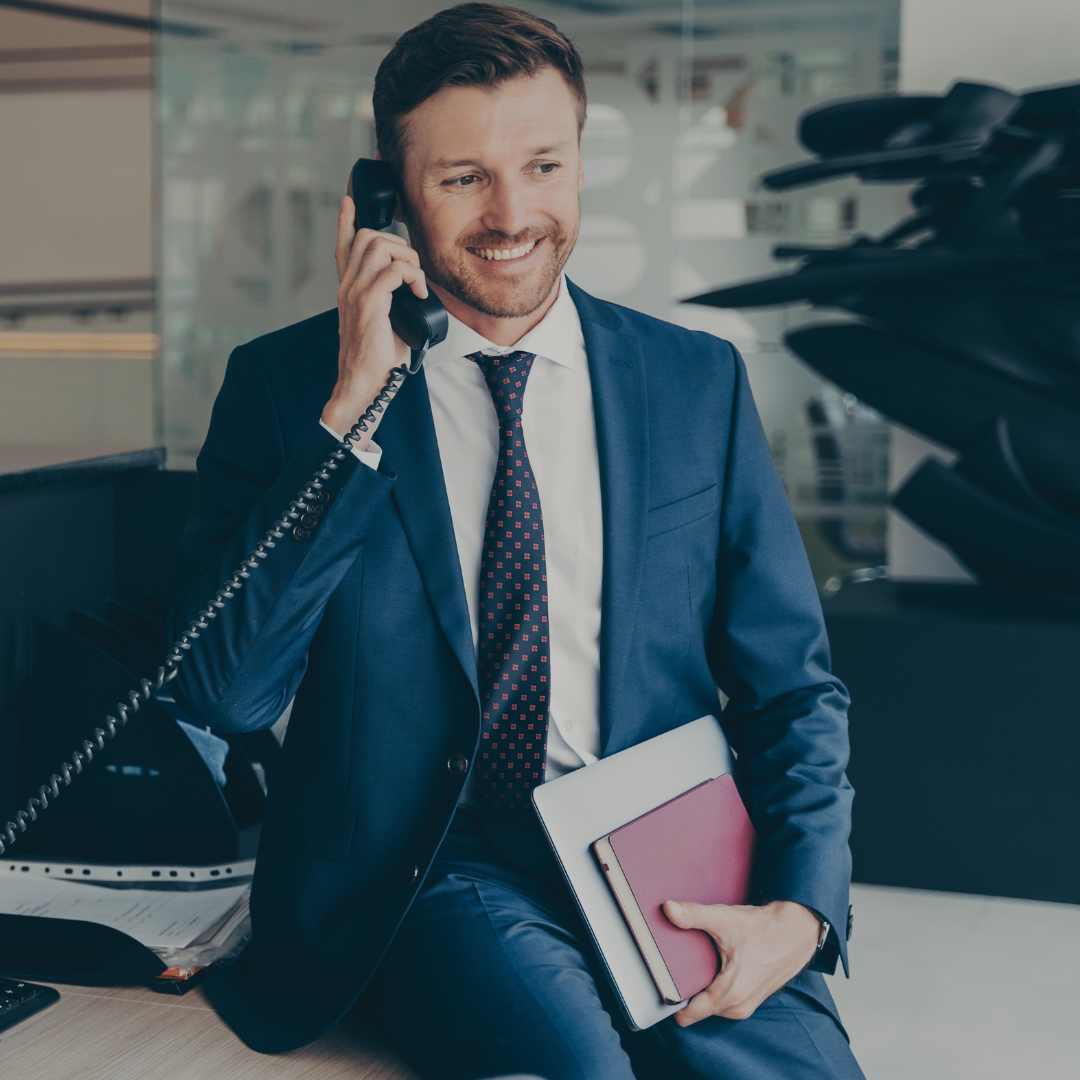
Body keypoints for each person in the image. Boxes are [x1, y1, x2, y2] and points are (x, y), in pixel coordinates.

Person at [168, 4, 863, 1077]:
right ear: (388, 197)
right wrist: (353, 412)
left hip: (656, 850)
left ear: (580, 163)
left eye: (542, 165)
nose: (511, 214)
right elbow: (227, 692)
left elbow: (792, 692)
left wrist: (801, 912)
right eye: (462, 179)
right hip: (435, 865)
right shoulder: (286, 390)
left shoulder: (692, 384)